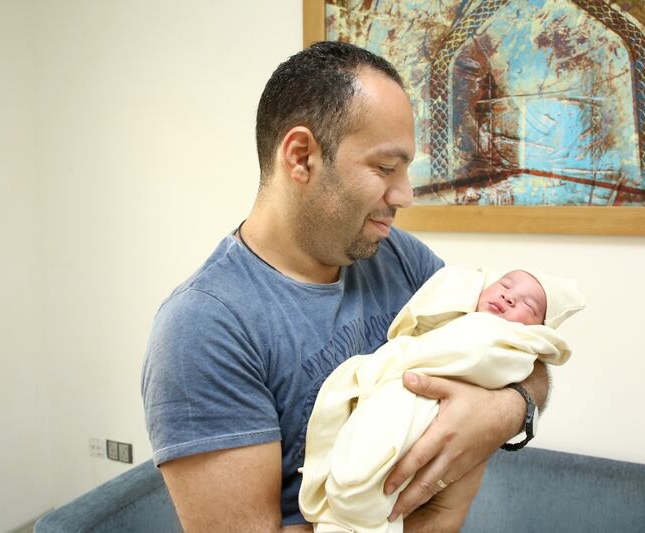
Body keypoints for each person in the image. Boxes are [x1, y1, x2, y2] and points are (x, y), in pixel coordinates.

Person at [141, 41, 551, 532]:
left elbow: (522, 352)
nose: (403, 195)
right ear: (301, 157)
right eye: (384, 168)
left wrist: (506, 410)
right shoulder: (205, 328)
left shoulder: (398, 257)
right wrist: (440, 515)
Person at [299, 266, 585, 532]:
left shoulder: (404, 258)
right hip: (397, 396)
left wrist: (505, 409)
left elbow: (523, 366)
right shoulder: (453, 310)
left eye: (527, 305)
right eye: (505, 284)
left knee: (370, 474)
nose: (508, 297)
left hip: (420, 413)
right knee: (365, 452)